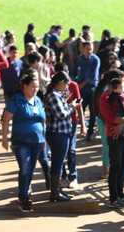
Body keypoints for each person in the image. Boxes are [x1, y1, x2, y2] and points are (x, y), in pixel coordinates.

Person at [1, 69, 45, 212]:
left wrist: (45, 140)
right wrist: (5, 138)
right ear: (24, 86)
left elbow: (43, 121)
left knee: (30, 169)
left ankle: (24, 192)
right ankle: (24, 197)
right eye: (32, 86)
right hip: (21, 141)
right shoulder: (17, 100)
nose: (35, 89)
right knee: (25, 167)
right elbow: (6, 119)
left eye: (37, 87)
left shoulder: (38, 100)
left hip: (37, 141)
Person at [100, 76, 124, 208]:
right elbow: (112, 118)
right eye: (122, 85)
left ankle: (121, 194)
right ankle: (113, 197)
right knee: (115, 166)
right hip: (114, 135)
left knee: (123, 166)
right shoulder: (107, 99)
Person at [44, 71, 75, 202]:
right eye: (66, 83)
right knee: (58, 163)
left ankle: (56, 190)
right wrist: (72, 107)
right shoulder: (53, 96)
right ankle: (54, 193)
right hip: (58, 133)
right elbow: (61, 114)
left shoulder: (57, 95)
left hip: (61, 133)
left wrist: (67, 102)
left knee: (59, 162)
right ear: (61, 83)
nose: (68, 86)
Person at [76, 41, 100, 140]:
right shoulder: (80, 59)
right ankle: (82, 128)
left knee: (92, 111)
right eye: (88, 49)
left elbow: (92, 77)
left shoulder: (95, 59)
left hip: (91, 88)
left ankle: (89, 132)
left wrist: (80, 86)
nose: (90, 51)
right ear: (83, 49)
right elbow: (76, 72)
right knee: (80, 109)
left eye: (91, 49)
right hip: (81, 88)